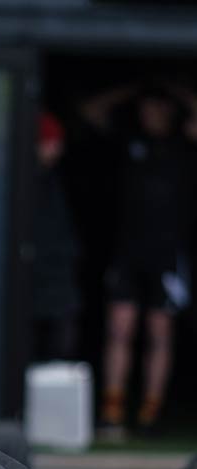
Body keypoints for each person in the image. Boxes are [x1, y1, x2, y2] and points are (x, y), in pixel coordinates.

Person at [80, 81, 197, 437]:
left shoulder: (184, 145)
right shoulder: (128, 141)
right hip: (128, 251)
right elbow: (90, 111)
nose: (150, 115)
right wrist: (132, 88)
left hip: (168, 255)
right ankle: (112, 413)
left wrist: (177, 90)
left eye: (157, 108)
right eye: (146, 108)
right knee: (120, 329)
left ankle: (150, 413)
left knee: (159, 332)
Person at [31, 112, 81, 361]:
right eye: (51, 143)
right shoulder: (20, 179)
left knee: (61, 338)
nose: (57, 150)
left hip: (56, 271)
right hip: (32, 272)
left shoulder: (53, 177)